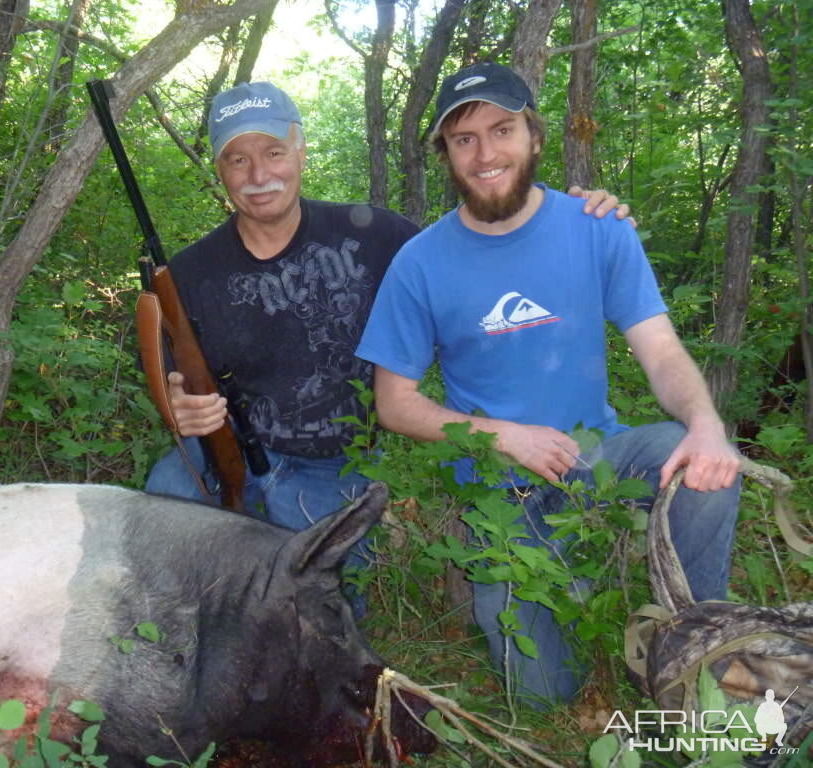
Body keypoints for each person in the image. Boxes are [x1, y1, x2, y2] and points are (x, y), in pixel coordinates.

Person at [355, 61, 741, 705]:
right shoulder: (420, 262)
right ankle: (570, 602)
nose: (485, 154)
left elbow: (662, 351)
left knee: (699, 463)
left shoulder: (597, 228)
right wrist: (505, 435)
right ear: (446, 155)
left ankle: (695, 650)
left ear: (534, 135)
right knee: (541, 695)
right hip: (500, 498)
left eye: (501, 130)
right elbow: (394, 403)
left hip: (598, 456)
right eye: (464, 139)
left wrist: (706, 426)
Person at [145, 80, 628, 563]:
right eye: (237, 159)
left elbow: (476, 252)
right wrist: (180, 403)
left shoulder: (376, 234)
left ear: (300, 152)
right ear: (220, 170)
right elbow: (174, 382)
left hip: (335, 464)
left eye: (273, 152)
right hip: (229, 450)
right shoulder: (189, 273)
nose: (258, 174)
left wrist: (566, 216)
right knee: (162, 511)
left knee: (320, 601)